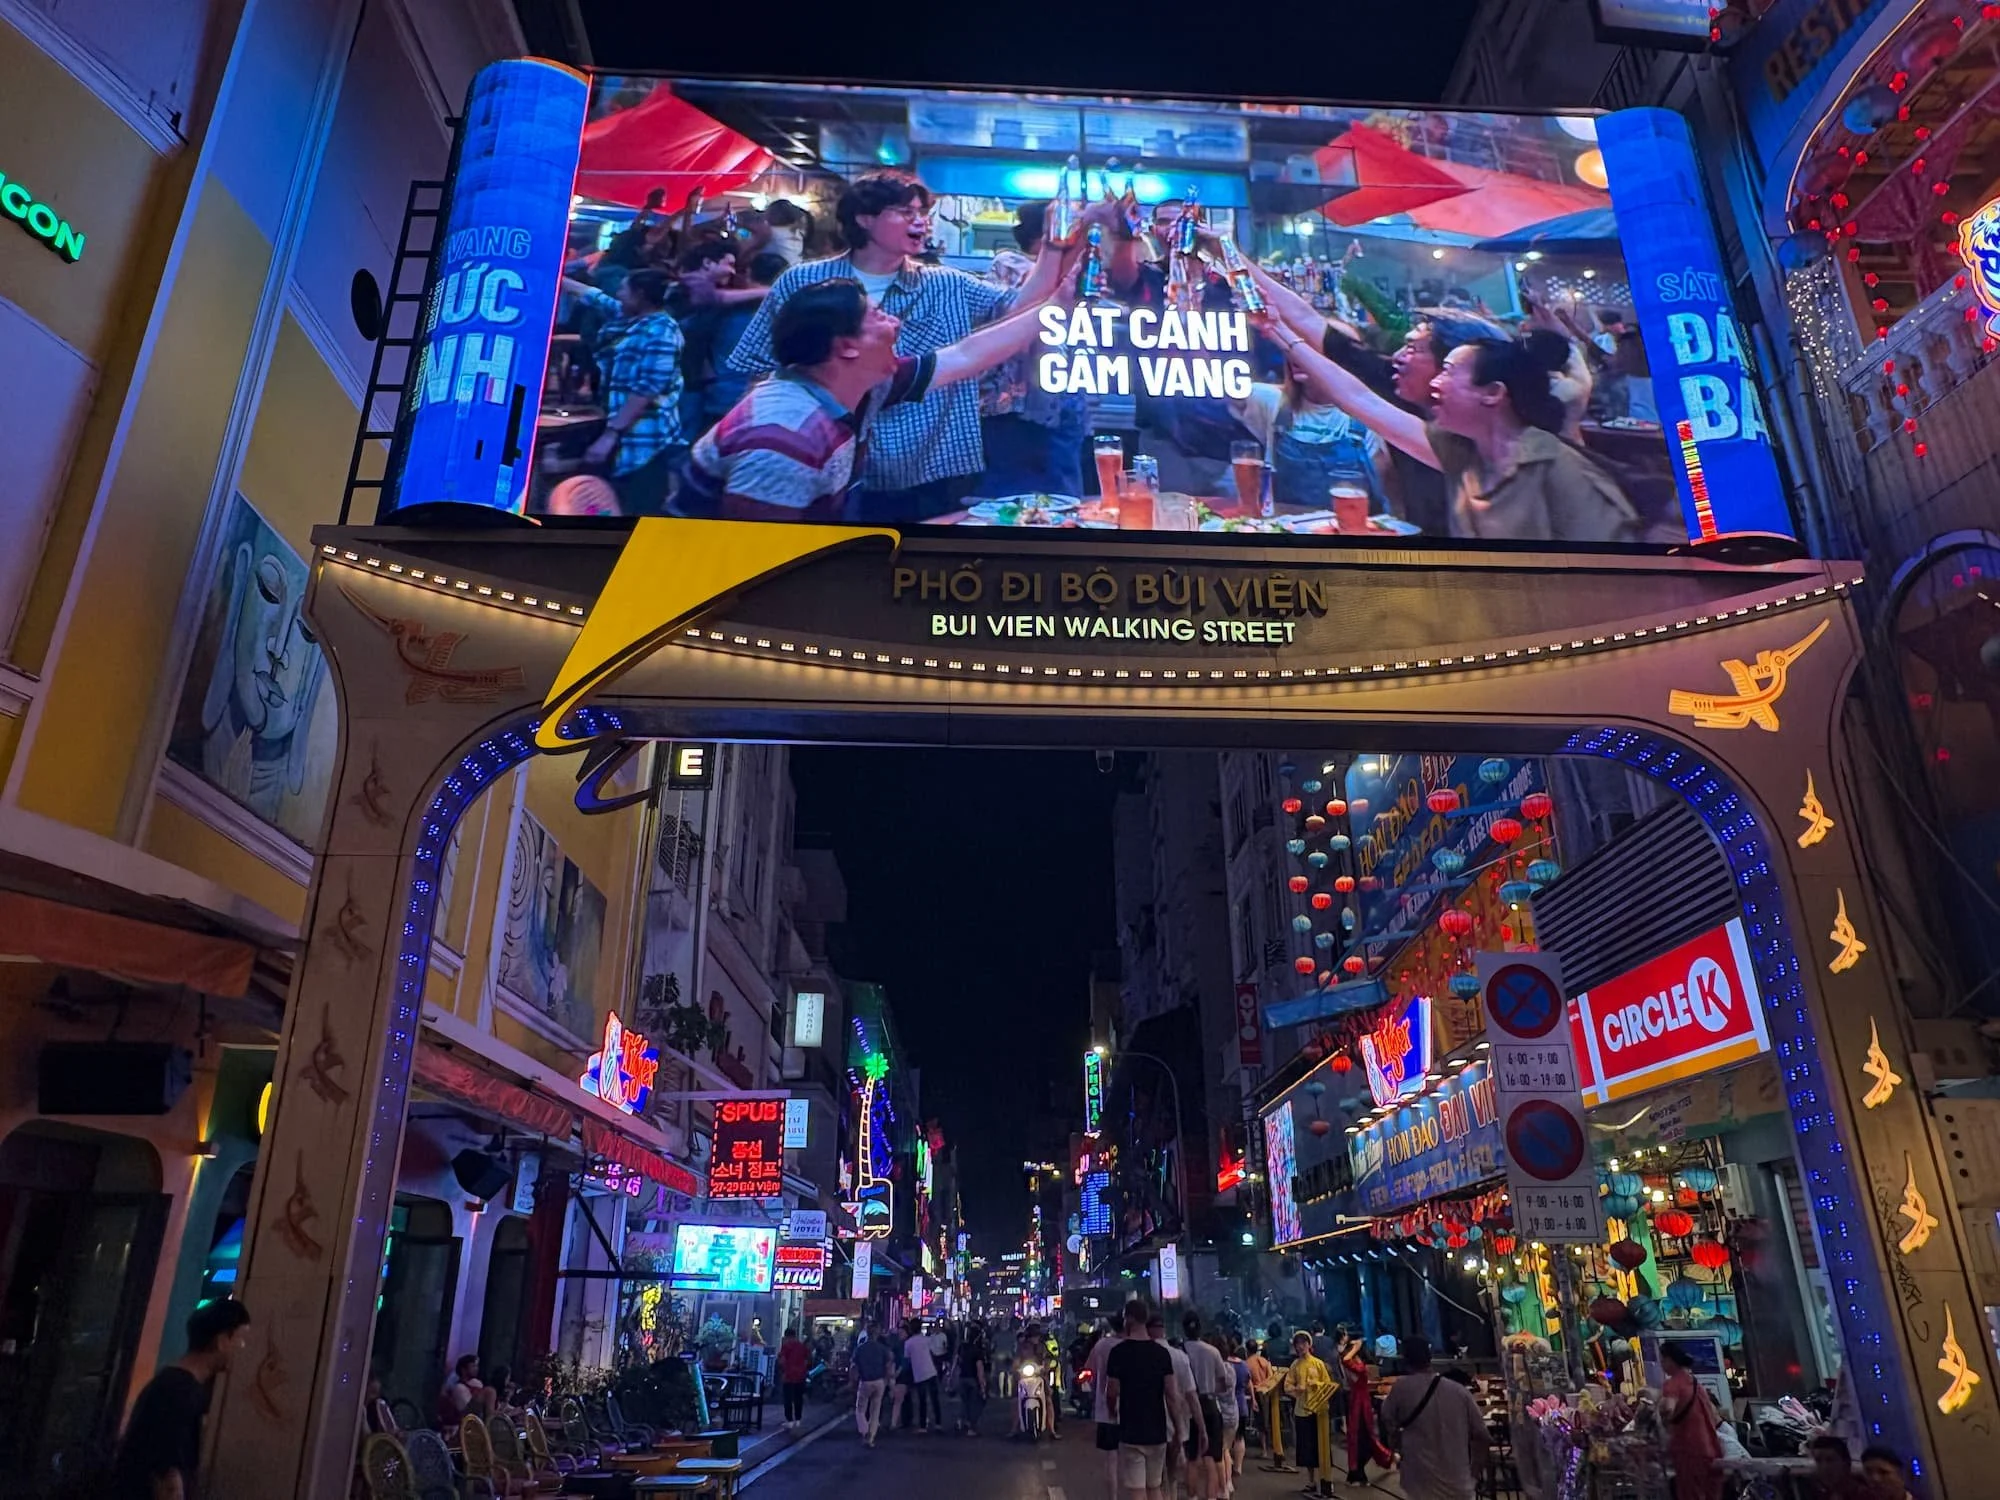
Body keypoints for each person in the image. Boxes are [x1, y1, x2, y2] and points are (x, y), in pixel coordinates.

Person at [727, 171, 1078, 519]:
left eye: (922, 214)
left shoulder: (945, 284)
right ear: (864, 219)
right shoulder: (804, 282)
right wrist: (764, 429)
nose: (920, 222)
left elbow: (1010, 316)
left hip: (932, 466)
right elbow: (759, 367)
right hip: (837, 466)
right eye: (905, 212)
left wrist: (1053, 248)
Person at [681, 261, 1071, 522]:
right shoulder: (781, 439)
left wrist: (1062, 302)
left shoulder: (859, 385)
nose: (895, 321)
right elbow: (757, 574)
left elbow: (967, 354)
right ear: (846, 347)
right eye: (877, 316)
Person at [1253, 314, 1641, 544]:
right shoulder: (1461, 450)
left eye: (1450, 372)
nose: (1437, 381)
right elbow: (1360, 399)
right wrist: (1281, 334)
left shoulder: (1562, 470)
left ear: (1493, 394)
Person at [978, 202, 1089, 498]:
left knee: (1065, 496)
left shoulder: (1079, 272)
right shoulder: (1009, 263)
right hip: (1014, 405)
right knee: (1012, 500)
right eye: (1074, 227)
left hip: (1063, 401)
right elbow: (1021, 304)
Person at [566, 267, 688, 514]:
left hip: (645, 432)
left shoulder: (661, 332)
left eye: (623, 288)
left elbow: (647, 389)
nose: (618, 294)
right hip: (624, 425)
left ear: (640, 295)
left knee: (639, 505)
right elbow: (595, 297)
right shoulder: (632, 317)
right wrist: (556, 277)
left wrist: (610, 435)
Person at [110, 1298, 251, 1499]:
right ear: (221, 1341)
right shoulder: (180, 1392)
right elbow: (167, 1474)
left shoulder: (171, 1383)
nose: (243, 1347)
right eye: (241, 1338)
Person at [1378, 1338, 1484, 1500]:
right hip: (1459, 1485)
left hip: (1420, 1484)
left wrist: (1398, 1446)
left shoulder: (1401, 1389)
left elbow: (1387, 1420)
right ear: (1430, 1357)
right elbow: (1482, 1436)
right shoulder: (1459, 1391)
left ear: (1405, 1360)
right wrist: (1473, 1475)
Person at [1106, 1300, 1184, 1500]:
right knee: (1154, 1486)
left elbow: (1111, 1391)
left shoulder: (1118, 1353)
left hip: (1131, 1430)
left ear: (1129, 1318)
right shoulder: (1161, 1354)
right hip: (1157, 1431)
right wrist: (1178, 1429)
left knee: (1137, 1490)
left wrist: (1113, 1411)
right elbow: (1172, 1396)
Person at [1656, 1342, 1724, 1500]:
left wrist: (1659, 1415)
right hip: (1711, 1448)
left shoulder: (1673, 1383)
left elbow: (1668, 1408)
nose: (1662, 1365)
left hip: (1688, 1449)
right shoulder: (1695, 1383)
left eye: (1663, 1360)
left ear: (1670, 1360)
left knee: (1691, 1495)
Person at [1282, 1331, 1337, 1497]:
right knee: (1307, 1448)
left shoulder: (1319, 1364)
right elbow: (1287, 1386)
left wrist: (1316, 1385)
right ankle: (1311, 1481)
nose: (1300, 1346)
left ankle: (1327, 1480)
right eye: (1297, 1344)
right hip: (1302, 1410)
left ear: (1309, 1344)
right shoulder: (1294, 1365)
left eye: (1303, 1343)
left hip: (1319, 1411)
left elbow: (1328, 1385)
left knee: (1323, 1446)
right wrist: (1296, 1391)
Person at [1336, 1333, 1392, 1483]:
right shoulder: (1351, 1361)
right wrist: (1356, 1347)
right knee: (1362, 1437)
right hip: (1358, 1402)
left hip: (1361, 1401)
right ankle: (1358, 1471)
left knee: (1364, 1437)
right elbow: (1346, 1360)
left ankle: (1358, 1471)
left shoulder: (1355, 1361)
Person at [1087, 1314, 1127, 1500]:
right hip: (1132, 1411)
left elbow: (1089, 1369)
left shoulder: (1102, 1345)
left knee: (1111, 1461)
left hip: (1106, 1412)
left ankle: (1113, 1497)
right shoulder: (1133, 1345)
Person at [852, 1320, 893, 1447]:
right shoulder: (883, 1349)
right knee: (875, 1410)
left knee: (860, 1410)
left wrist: (853, 1380)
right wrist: (888, 1381)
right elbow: (888, 1366)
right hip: (879, 1381)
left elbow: (854, 1366)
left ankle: (864, 1431)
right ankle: (871, 1437)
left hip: (865, 1381)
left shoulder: (860, 1349)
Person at [906, 1316, 943, 1433]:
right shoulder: (927, 1340)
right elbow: (934, 1353)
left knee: (922, 1400)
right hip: (931, 1371)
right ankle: (938, 1423)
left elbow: (907, 1358)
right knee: (934, 1399)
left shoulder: (908, 1343)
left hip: (919, 1373)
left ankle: (923, 1426)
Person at [437, 1353, 493, 1427]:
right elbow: (467, 1413)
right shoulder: (459, 1388)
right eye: (473, 1366)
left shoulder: (477, 1383)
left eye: (476, 1366)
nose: (476, 1369)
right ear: (463, 1369)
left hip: (483, 1417)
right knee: (490, 1391)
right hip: (468, 1423)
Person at [955, 1320, 989, 1435]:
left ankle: (961, 1421)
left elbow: (956, 1362)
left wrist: (951, 1377)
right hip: (973, 1379)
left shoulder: (962, 1347)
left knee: (964, 1402)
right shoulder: (978, 1351)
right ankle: (970, 1427)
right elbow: (980, 1369)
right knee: (974, 1404)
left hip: (962, 1377)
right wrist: (983, 1385)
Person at [777, 1325, 810, 1430]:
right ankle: (798, 1420)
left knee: (788, 1399)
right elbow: (808, 1359)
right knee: (798, 1398)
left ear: (786, 1336)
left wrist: (783, 1371)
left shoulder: (786, 1346)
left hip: (789, 1376)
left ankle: (789, 1420)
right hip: (800, 1376)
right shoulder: (801, 1346)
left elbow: (782, 1360)